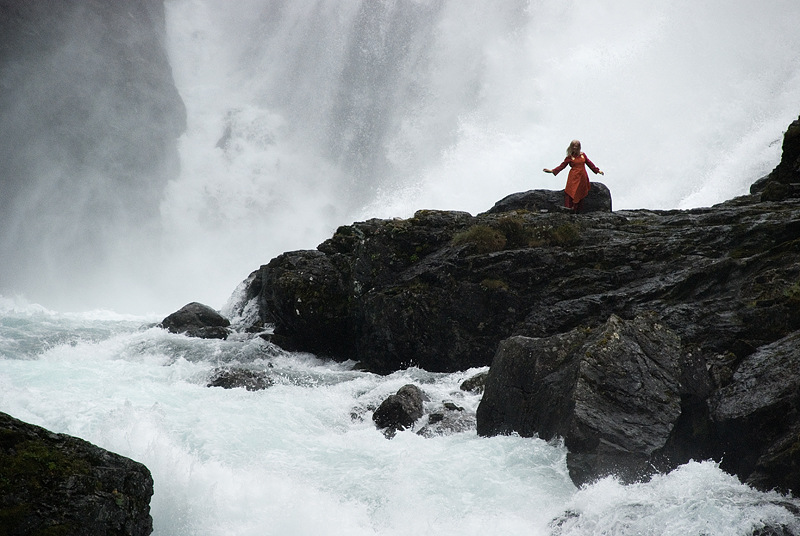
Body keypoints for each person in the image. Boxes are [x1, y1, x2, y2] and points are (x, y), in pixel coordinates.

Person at [543, 140, 604, 213]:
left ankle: (578, 210)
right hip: (573, 177)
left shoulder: (583, 155)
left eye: (576, 146)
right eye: (573, 146)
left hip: (582, 177)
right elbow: (562, 166)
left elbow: (589, 163)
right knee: (571, 192)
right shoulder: (570, 157)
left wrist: (597, 170)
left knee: (580, 192)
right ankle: (569, 209)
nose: (575, 147)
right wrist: (552, 171)